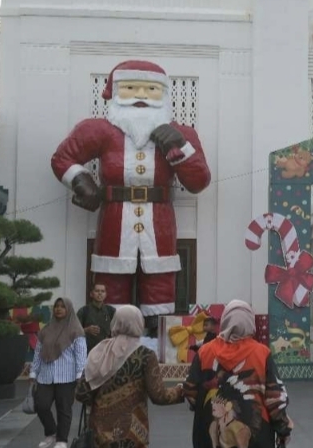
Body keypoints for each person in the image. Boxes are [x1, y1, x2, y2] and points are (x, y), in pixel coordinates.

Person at [51, 60, 213, 316]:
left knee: (160, 288)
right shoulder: (100, 130)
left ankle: (157, 342)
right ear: (114, 92)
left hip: (160, 222)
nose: (140, 96)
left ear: (164, 95)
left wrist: (180, 148)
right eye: (130, 88)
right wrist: (82, 182)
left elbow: (199, 181)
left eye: (151, 90)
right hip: (114, 220)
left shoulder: (182, 134)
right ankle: (111, 343)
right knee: (111, 286)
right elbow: (62, 158)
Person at [185, 300, 293, 448]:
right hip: (256, 439)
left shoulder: (204, 352)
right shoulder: (261, 354)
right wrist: (283, 430)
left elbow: (191, 393)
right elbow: (275, 399)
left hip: (208, 439)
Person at [78, 305, 185, 448]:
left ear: (115, 322)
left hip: (100, 435)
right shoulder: (145, 355)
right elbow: (159, 395)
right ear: (139, 324)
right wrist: (181, 390)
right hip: (133, 435)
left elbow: (82, 393)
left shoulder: (99, 351)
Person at [30, 298, 88, 448]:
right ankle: (51, 433)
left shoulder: (76, 330)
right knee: (41, 405)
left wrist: (79, 374)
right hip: (45, 375)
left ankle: (62, 440)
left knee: (64, 410)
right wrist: (33, 372)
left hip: (67, 377)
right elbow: (38, 352)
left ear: (69, 309)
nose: (59, 309)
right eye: (57, 306)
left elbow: (81, 354)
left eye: (63, 306)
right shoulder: (46, 330)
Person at [78, 283, 116, 352]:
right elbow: (74, 332)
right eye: (97, 291)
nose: (100, 293)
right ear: (91, 294)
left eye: (102, 291)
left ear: (106, 294)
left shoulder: (111, 311)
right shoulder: (84, 311)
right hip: (87, 350)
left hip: (107, 350)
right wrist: (86, 330)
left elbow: (118, 330)